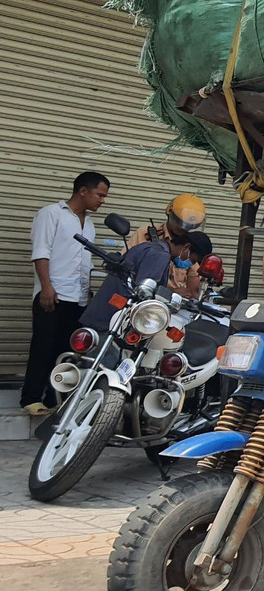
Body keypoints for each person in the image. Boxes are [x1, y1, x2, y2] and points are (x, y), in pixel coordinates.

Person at [23, 171, 110, 415]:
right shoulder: (51, 214)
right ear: (83, 191)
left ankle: (54, 399)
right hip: (54, 293)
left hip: (78, 296)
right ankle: (30, 400)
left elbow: (85, 261)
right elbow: (41, 252)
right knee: (43, 347)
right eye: (100, 195)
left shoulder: (89, 224)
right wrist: (46, 287)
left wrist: (89, 292)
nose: (102, 201)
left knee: (68, 351)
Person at [80, 231, 212, 333]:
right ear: (187, 247)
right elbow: (143, 294)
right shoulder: (160, 255)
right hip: (110, 322)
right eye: (193, 260)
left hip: (105, 316)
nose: (190, 264)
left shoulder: (154, 248)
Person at [126, 194, 208, 300]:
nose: (182, 227)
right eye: (179, 222)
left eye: (187, 225)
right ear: (169, 212)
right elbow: (138, 284)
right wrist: (170, 292)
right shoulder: (148, 237)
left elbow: (193, 284)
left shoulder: (191, 245)